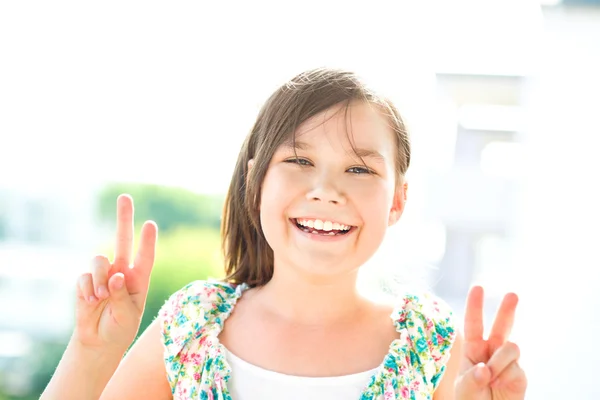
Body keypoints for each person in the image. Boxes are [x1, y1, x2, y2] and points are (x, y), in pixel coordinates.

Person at [41, 68, 527, 400]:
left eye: (359, 170)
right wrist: (94, 350)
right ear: (256, 183)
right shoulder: (192, 324)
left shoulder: (432, 344)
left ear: (398, 200)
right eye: (299, 161)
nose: (326, 190)